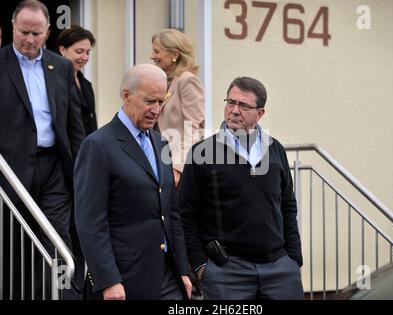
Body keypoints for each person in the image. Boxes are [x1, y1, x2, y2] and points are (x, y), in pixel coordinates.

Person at [74, 64, 192, 300]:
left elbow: (171, 213)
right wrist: (108, 280)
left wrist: (184, 270)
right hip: (125, 281)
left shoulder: (161, 143)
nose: (157, 110)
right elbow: (90, 221)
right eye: (150, 101)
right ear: (126, 95)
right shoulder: (98, 145)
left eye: (161, 102)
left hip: (168, 277)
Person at [179, 76, 304, 300]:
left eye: (244, 105)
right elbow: (185, 213)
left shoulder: (275, 150)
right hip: (227, 272)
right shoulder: (202, 153)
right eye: (230, 102)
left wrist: (293, 258)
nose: (234, 110)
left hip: (280, 271)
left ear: (260, 113)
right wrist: (200, 264)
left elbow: (287, 205)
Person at [0, 0, 84, 299]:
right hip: (10, 171)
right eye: (24, 32)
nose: (29, 39)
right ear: (12, 27)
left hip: (54, 169)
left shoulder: (60, 67)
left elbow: (74, 124)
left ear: (48, 32)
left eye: (36, 33)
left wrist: (79, 169)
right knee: (13, 242)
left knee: (57, 239)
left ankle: (59, 294)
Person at [151, 29, 205, 187]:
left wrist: (178, 169)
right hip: (160, 160)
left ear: (174, 54)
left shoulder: (187, 81)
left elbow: (194, 128)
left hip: (176, 166)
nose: (152, 56)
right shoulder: (166, 82)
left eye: (156, 51)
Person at [57, 25, 97, 136]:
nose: (85, 57)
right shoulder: (55, 83)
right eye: (79, 51)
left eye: (88, 52)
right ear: (62, 50)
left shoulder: (86, 84)